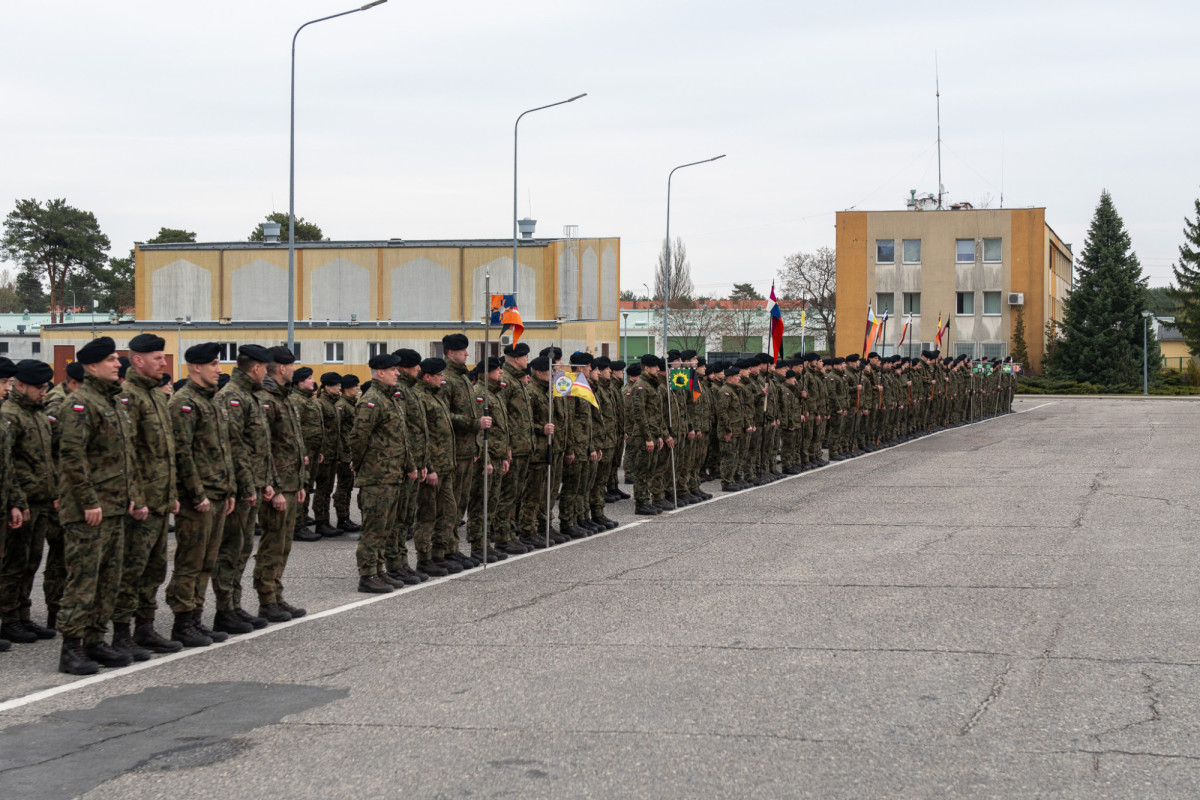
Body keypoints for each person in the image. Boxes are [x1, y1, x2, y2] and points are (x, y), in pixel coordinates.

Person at [56, 337, 146, 675]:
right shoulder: (79, 404)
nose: (117, 364)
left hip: (116, 506)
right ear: (91, 366)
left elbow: (125, 458)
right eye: (110, 359)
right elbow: (72, 456)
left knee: (109, 578)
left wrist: (133, 497)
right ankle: (71, 647)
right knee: (84, 579)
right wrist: (88, 501)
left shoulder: (114, 403)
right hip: (89, 511)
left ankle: (95, 640)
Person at [113, 335, 183, 658]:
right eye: (158, 358)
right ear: (137, 360)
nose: (164, 363)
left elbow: (164, 453)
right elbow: (128, 455)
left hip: (158, 501)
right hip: (140, 505)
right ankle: (120, 633)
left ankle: (145, 628)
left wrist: (170, 494)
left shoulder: (154, 395)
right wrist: (137, 498)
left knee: (154, 570)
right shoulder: (128, 397)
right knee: (132, 570)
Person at [168, 342, 236, 648]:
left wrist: (229, 488)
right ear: (195, 367)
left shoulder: (212, 401)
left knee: (207, 560)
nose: (219, 370)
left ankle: (196, 618)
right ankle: (183, 622)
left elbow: (223, 449)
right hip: (200, 497)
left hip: (218, 493)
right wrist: (196, 494)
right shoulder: (184, 402)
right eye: (213, 365)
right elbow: (182, 453)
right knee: (190, 560)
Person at [212, 344, 276, 636]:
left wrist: (265, 481)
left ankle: (235, 606)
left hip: (252, 484)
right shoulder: (232, 397)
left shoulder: (250, 395)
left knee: (242, 549)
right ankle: (225, 610)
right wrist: (248, 485)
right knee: (231, 550)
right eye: (265, 368)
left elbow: (260, 447)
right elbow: (234, 446)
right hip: (239, 487)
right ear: (257, 368)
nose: (266, 373)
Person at [0, 359, 58, 645]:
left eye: (46, 387)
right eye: (38, 387)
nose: (43, 392)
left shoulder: (37, 414)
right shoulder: (11, 415)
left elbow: (46, 461)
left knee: (31, 562)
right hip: (22, 501)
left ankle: (23, 615)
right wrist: (16, 501)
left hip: (41, 500)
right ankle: (9, 618)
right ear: (20, 385)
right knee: (15, 563)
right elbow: (8, 465)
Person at [346, 353, 413, 593]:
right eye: (393, 369)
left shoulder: (390, 399)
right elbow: (358, 438)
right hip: (377, 476)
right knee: (373, 529)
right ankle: (367, 575)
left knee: (385, 528)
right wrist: (363, 464)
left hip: (392, 475)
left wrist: (409, 466)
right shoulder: (371, 400)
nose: (397, 373)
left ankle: (379, 570)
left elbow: (401, 439)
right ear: (380, 372)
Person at [255, 346, 309, 622]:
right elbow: (262, 447)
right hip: (276, 486)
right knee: (272, 543)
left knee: (283, 544)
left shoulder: (284, 397)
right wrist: (271, 487)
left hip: (290, 482)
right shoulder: (266, 399)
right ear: (281, 368)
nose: (294, 369)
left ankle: (276, 595)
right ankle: (267, 599)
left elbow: (292, 445)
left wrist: (299, 482)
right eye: (291, 365)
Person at [412, 358, 460, 577]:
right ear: (427, 376)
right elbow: (422, 437)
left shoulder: (435, 396)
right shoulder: (421, 398)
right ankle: (424, 558)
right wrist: (428, 467)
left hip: (445, 465)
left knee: (448, 511)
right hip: (434, 467)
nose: (442, 380)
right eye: (439, 376)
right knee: (428, 515)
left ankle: (440, 553)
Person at [291, 366, 323, 541]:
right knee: (301, 487)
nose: (312, 381)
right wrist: (301, 452)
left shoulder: (309, 400)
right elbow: (296, 429)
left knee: (308, 487)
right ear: (300, 381)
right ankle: (297, 526)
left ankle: (302, 520)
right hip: (304, 453)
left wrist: (320, 450)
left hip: (313, 451)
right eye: (309, 378)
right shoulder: (296, 400)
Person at [312, 371, 342, 537]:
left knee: (328, 488)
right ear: (328, 386)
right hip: (325, 453)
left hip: (332, 452)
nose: (339, 388)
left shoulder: (333, 403)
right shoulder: (322, 404)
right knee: (322, 489)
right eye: (336, 385)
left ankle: (325, 521)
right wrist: (321, 451)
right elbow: (320, 430)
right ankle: (320, 521)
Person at [333, 374, 361, 535]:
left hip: (350, 452)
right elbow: (336, 432)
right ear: (345, 389)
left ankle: (346, 518)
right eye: (354, 386)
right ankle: (342, 518)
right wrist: (339, 454)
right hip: (344, 453)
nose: (357, 389)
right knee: (343, 487)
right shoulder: (341, 406)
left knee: (348, 487)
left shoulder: (352, 404)